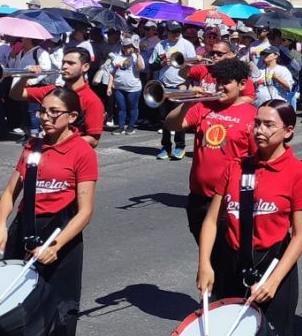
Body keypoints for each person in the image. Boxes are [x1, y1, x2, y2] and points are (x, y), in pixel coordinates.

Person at [197, 100, 302, 336]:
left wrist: (273, 282)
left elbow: (300, 235)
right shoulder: (236, 166)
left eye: (268, 125)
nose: (259, 130)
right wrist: (205, 263)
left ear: (288, 131)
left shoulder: (297, 173)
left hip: (273, 271)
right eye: (257, 123)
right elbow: (211, 220)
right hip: (233, 266)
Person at [0, 88, 98, 336]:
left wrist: (57, 246)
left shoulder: (81, 152)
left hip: (60, 237)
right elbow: (9, 192)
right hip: (26, 229)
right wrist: (0, 225)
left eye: (53, 113)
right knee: (16, 318)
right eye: (42, 112)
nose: (45, 118)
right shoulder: (32, 147)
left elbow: (85, 211)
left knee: (58, 324)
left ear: (72, 117)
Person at [164, 59, 257, 253]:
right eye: (218, 81)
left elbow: (257, 161)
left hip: (230, 200)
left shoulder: (252, 116)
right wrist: (188, 102)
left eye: (226, 82)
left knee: (226, 259)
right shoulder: (204, 106)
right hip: (198, 196)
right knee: (208, 254)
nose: (220, 87)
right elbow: (172, 124)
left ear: (241, 85)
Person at [11, 47, 104, 148]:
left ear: (85, 67)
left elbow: (93, 140)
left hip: (73, 156)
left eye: (71, 63)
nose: (64, 66)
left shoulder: (92, 100)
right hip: (48, 150)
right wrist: (25, 77)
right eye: (63, 62)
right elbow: (16, 95)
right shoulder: (52, 91)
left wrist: (60, 141)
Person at [150, 21, 196, 160]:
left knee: (178, 118)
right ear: (166, 32)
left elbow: (193, 66)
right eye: (173, 31)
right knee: (164, 118)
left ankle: (180, 146)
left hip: (180, 85)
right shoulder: (160, 45)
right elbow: (152, 66)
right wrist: (160, 63)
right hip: (164, 85)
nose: (176, 34)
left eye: (178, 31)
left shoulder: (186, 45)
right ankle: (165, 147)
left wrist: (186, 83)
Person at [106, 37, 144, 135]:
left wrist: (138, 53)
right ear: (122, 47)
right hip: (119, 87)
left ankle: (131, 127)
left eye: (130, 47)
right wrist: (109, 87)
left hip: (133, 88)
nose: (128, 49)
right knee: (121, 107)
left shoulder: (136, 57)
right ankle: (120, 127)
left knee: (133, 107)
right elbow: (112, 73)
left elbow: (141, 68)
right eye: (126, 47)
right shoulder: (117, 57)